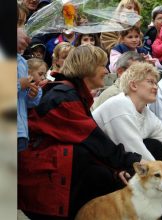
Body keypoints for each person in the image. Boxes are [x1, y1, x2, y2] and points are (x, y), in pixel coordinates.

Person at [18, 45, 144, 219]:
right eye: (103, 65)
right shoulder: (64, 96)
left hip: (46, 175)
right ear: (88, 67)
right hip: (42, 181)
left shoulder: (72, 92)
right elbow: (94, 139)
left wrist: (119, 167)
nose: (107, 71)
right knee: (102, 173)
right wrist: (130, 164)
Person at [92, 62, 162, 176]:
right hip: (92, 168)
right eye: (150, 82)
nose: (156, 87)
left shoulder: (147, 113)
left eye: (156, 83)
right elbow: (135, 151)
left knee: (155, 146)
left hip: (113, 164)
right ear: (133, 85)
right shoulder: (119, 105)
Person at [17, 3, 41, 152]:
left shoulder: (21, 61)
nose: (22, 29)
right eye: (18, 23)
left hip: (20, 130)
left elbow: (24, 100)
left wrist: (33, 94)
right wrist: (19, 84)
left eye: (23, 23)